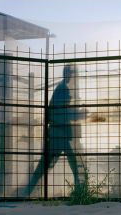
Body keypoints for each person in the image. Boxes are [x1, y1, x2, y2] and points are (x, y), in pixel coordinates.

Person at [27, 65, 86, 193]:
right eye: (70, 72)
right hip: (59, 134)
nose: (72, 75)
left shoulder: (62, 88)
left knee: (66, 164)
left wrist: (77, 113)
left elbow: (61, 111)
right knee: (51, 165)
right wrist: (79, 114)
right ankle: (79, 191)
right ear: (67, 74)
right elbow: (63, 112)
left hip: (58, 133)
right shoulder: (63, 89)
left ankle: (28, 190)